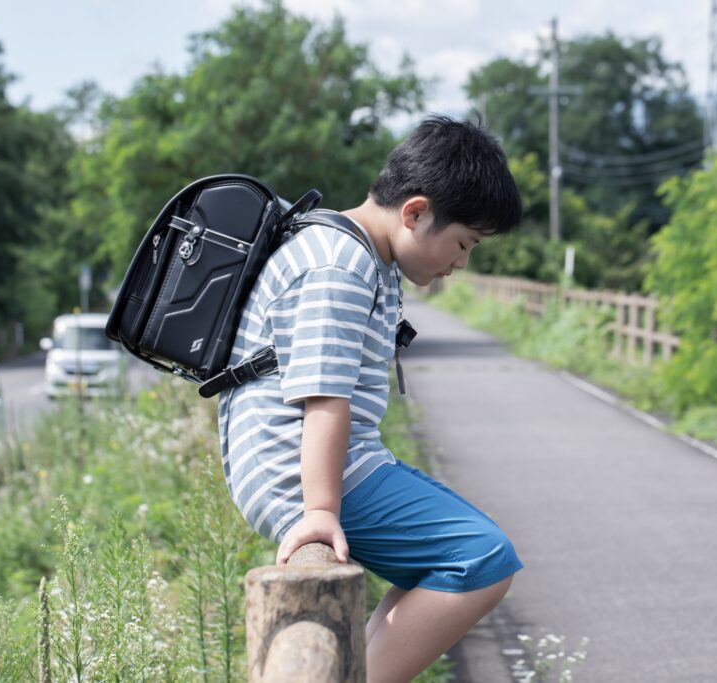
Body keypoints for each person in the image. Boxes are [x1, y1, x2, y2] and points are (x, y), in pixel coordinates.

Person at [217, 114, 524, 682]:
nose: (461, 263)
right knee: (479, 557)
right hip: (297, 467)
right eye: (463, 243)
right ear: (415, 212)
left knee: (465, 546)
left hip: (326, 461)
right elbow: (324, 398)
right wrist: (319, 513)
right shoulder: (341, 264)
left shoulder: (359, 252)